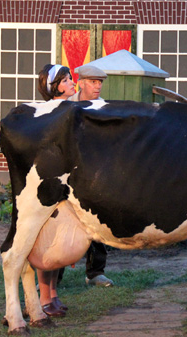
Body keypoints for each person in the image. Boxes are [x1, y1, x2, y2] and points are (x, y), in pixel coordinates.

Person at [68, 64, 114, 287]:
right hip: (67, 172)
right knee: (62, 221)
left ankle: (95, 272)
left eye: (100, 83)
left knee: (96, 219)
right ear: (82, 83)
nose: (97, 87)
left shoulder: (102, 108)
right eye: (93, 82)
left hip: (94, 171)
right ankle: (51, 277)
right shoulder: (66, 105)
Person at [36, 64, 77, 317]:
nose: (72, 82)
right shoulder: (47, 111)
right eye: (66, 80)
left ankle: (53, 293)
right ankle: (43, 297)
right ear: (55, 87)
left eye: (70, 78)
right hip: (49, 180)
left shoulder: (71, 108)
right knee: (45, 242)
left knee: (58, 242)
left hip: (66, 181)